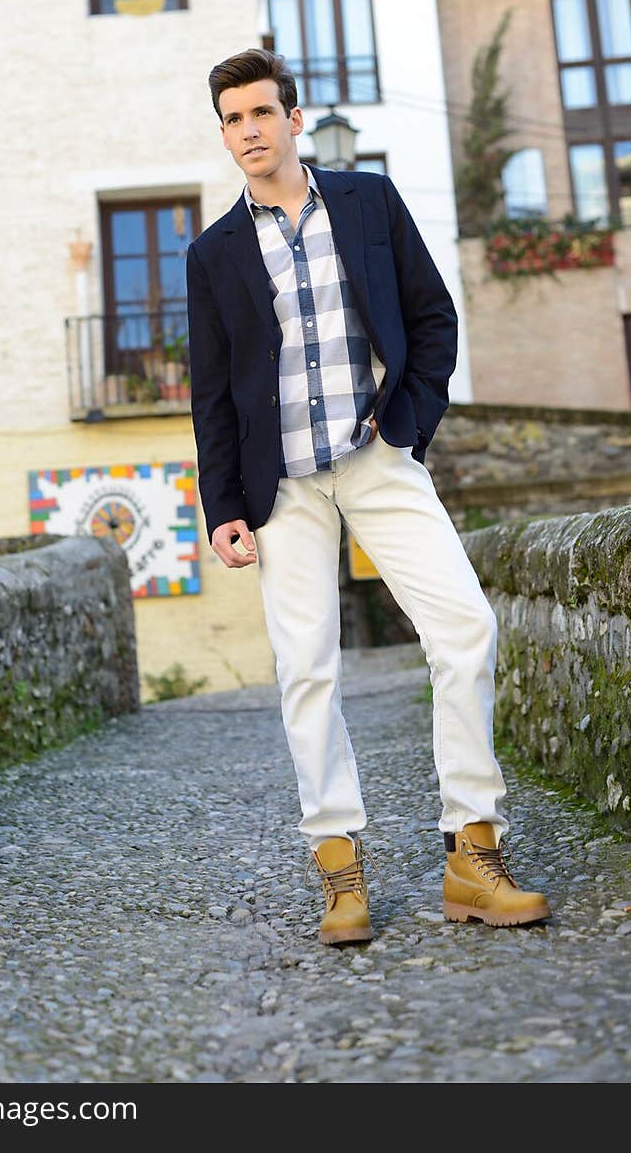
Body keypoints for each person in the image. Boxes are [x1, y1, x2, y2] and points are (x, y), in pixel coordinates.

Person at [186, 48, 549, 944]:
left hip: (376, 456)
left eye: (262, 113)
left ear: (293, 118)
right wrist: (223, 505)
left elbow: (432, 320)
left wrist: (408, 426)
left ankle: (474, 848)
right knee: (307, 667)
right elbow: (212, 389)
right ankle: (340, 871)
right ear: (224, 132)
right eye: (232, 120)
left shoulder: (367, 203)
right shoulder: (214, 254)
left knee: (466, 627)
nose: (249, 132)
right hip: (285, 491)